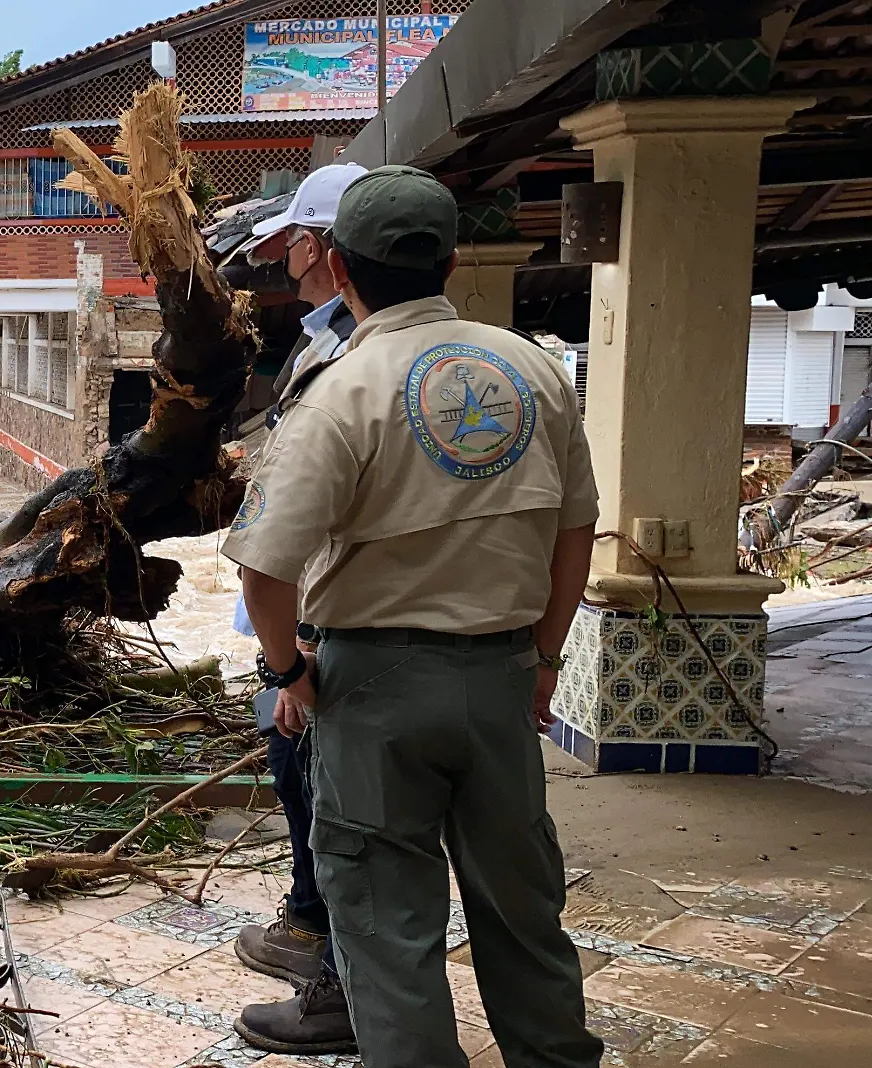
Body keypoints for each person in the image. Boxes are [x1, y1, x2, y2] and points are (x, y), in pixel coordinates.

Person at [222, 165, 604, 1068]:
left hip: (375, 690)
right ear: (453, 260)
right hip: (502, 679)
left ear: (342, 269)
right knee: (524, 914)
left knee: (388, 933)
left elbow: (265, 572)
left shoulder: (342, 389)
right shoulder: (536, 371)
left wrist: (290, 675)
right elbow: (577, 530)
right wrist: (544, 661)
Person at [222, 162, 364, 1056]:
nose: (285, 263)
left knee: (327, 795)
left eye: (293, 246)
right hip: (325, 621)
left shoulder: (355, 360)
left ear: (319, 247)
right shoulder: (331, 341)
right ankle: (312, 922)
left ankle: (333, 965)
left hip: (324, 625)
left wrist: (291, 660)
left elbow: (305, 538)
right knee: (301, 780)